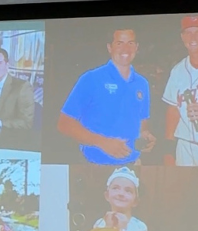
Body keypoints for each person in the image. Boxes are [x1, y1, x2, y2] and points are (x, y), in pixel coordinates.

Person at [57, 29, 156, 165]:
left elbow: (142, 121)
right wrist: (102, 142)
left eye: (130, 43)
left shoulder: (142, 83)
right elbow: (64, 123)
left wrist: (145, 135)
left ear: (136, 47)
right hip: (95, 165)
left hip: (133, 163)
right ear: (110, 47)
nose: (126, 49)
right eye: (119, 43)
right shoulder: (91, 78)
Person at [162, 16, 198, 166]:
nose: (193, 38)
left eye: (197, 32)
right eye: (188, 33)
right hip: (184, 147)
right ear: (182, 37)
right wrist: (168, 150)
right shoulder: (177, 71)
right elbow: (173, 110)